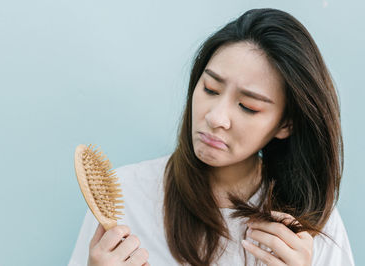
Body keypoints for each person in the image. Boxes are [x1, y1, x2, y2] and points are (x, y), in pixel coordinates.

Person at [69, 8, 355, 266]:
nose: (216, 117)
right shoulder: (127, 196)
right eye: (210, 89)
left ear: (285, 124)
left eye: (248, 107)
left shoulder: (311, 226)